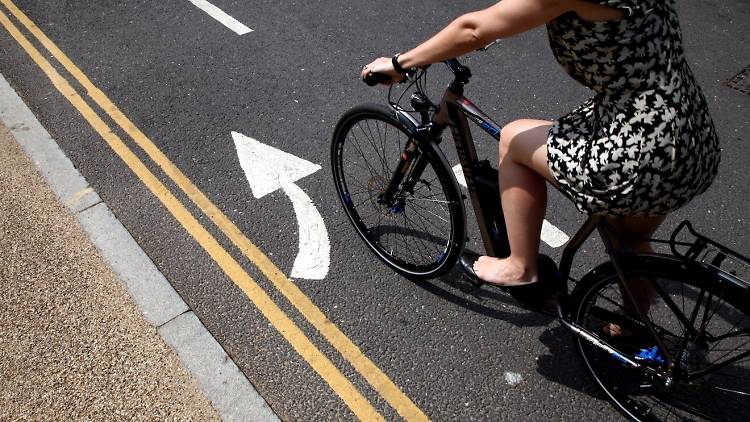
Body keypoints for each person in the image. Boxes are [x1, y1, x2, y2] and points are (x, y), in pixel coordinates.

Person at [361, 0, 720, 290]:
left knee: (514, 139)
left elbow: (474, 29)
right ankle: (637, 331)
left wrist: (399, 63)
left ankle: (519, 266)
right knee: (628, 238)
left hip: (639, 143)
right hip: (689, 133)